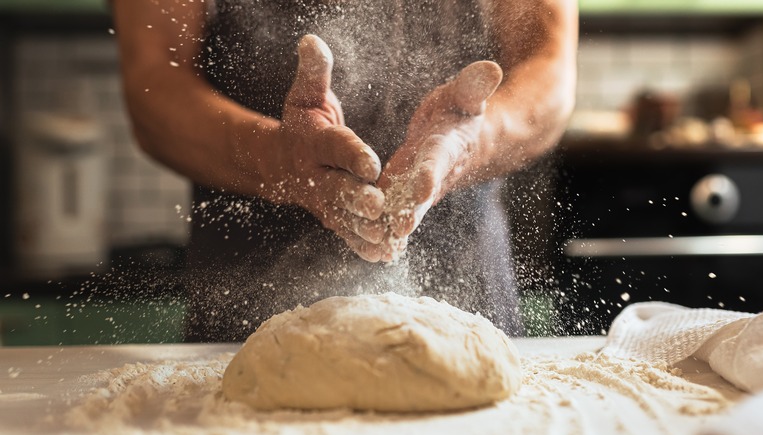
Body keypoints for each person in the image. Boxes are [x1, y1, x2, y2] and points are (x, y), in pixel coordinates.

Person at [111, 0, 578, 341]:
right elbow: (154, 82)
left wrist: (469, 141)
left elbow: (548, 72)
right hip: (247, 312)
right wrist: (278, 160)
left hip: (466, 297)